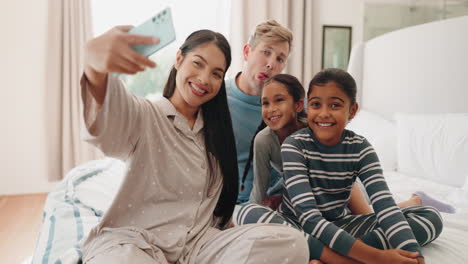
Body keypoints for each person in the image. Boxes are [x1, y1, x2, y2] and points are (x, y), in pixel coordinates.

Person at [79, 26, 309, 263]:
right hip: (137, 245)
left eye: (216, 74)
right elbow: (110, 114)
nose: (204, 79)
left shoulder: (216, 134)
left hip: (199, 245)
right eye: (198, 63)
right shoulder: (146, 115)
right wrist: (95, 68)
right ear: (179, 58)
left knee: (293, 243)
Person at [237, 68, 443, 264]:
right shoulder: (294, 145)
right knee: (248, 212)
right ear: (308, 108)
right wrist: (377, 258)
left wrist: (414, 257)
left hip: (340, 225)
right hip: (297, 225)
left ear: (352, 110)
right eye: (316, 105)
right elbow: (308, 217)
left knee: (430, 217)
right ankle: (340, 259)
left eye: (335, 105)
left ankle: (322, 255)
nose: (324, 113)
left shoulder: (362, 148)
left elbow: (386, 208)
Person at [225, 20, 293, 203]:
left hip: (284, 202)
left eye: (280, 59)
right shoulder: (218, 98)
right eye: (266, 52)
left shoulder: (290, 104)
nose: (271, 64)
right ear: (247, 52)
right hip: (237, 207)